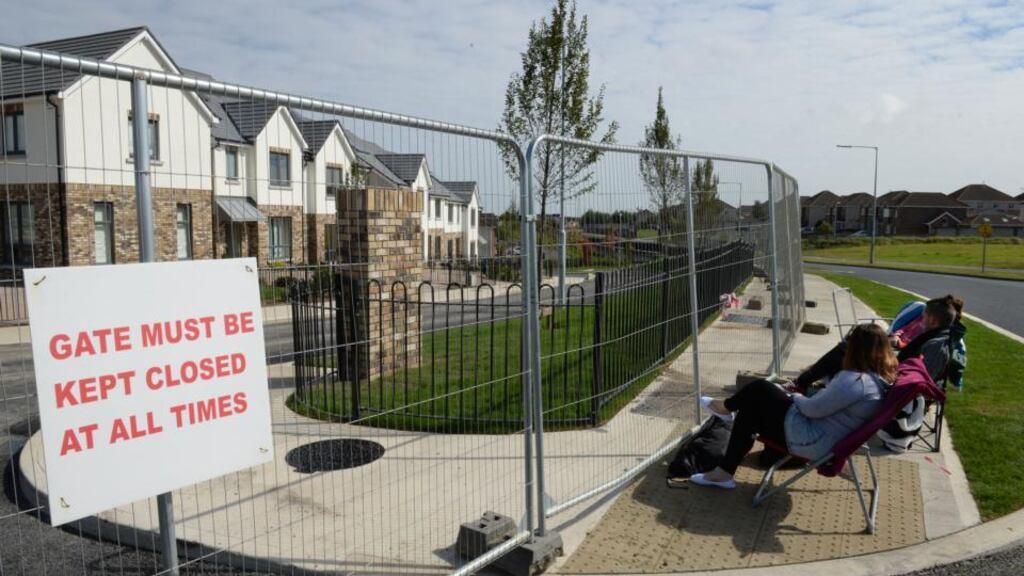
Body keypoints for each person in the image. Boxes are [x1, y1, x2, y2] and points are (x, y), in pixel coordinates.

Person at [689, 323, 895, 489]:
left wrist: (794, 396)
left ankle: (725, 410)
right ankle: (724, 469)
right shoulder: (876, 382)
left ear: (855, 349)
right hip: (825, 437)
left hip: (812, 440)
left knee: (761, 388)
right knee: (753, 405)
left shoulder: (854, 381)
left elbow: (812, 409)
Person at [793, 295, 963, 392]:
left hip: (889, 380)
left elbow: (914, 381)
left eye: (924, 316)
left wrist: (884, 360)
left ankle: (804, 384)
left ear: (932, 319)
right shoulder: (936, 336)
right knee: (852, 346)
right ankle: (813, 383)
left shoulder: (936, 345)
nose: (922, 319)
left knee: (847, 349)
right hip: (892, 368)